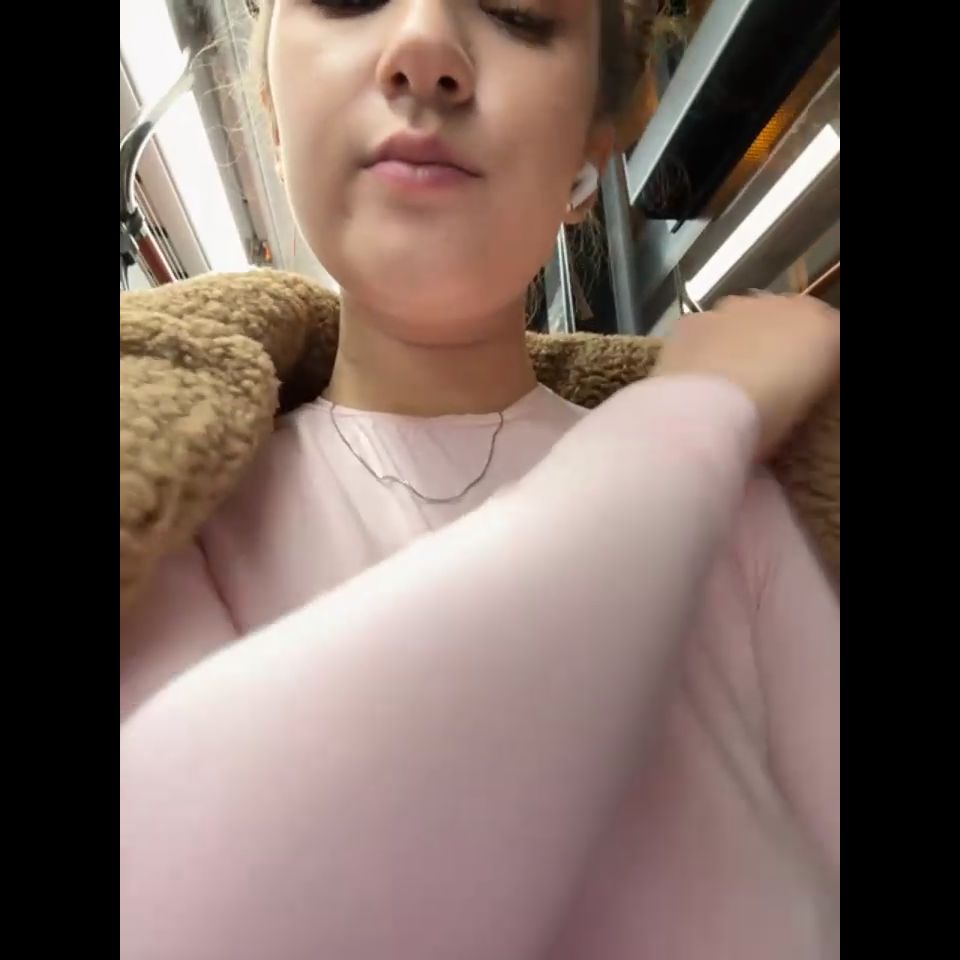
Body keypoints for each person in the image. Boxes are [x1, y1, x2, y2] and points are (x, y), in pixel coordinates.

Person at [119, 1, 840, 958]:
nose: (424, 46)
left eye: (518, 9)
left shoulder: (745, 508)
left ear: (589, 149)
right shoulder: (168, 518)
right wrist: (693, 416)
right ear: (272, 108)